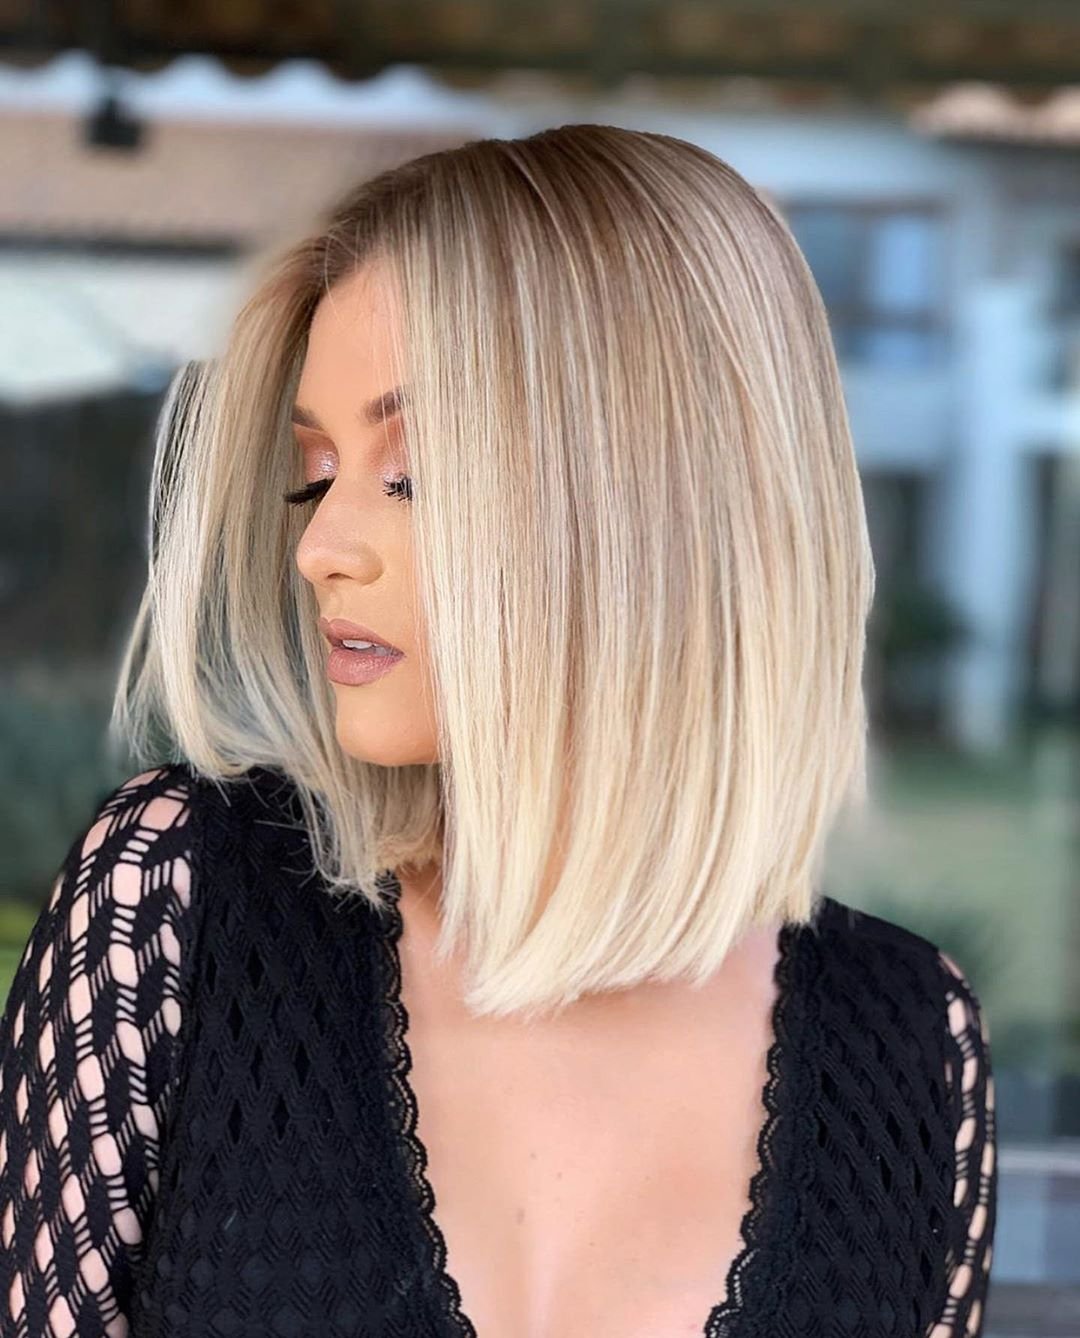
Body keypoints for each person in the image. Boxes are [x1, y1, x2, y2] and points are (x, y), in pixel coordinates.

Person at [0, 123, 995, 1337]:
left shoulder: (914, 1045)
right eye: (317, 471)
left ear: (652, 504)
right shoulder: (176, 905)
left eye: (410, 475)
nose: (321, 546)